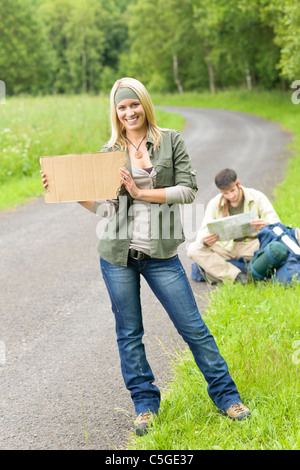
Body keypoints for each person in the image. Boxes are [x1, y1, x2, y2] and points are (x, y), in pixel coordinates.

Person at [41, 78, 251, 435]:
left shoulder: (170, 140)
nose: (129, 112)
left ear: (144, 104)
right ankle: (144, 405)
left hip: (161, 253)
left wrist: (140, 191)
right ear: (115, 112)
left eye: (134, 104)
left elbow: (187, 191)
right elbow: (104, 210)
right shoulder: (109, 151)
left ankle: (227, 397)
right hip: (117, 255)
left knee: (193, 329)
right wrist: (69, 190)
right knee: (129, 332)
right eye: (122, 107)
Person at [188, 168, 280, 284]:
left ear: (238, 184)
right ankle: (238, 276)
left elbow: (276, 223)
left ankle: (220, 271)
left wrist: (266, 224)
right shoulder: (214, 203)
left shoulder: (257, 197)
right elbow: (203, 232)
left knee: (277, 247)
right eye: (225, 193)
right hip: (226, 247)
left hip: (252, 245)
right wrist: (206, 240)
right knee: (194, 249)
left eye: (232, 190)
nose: (230, 196)